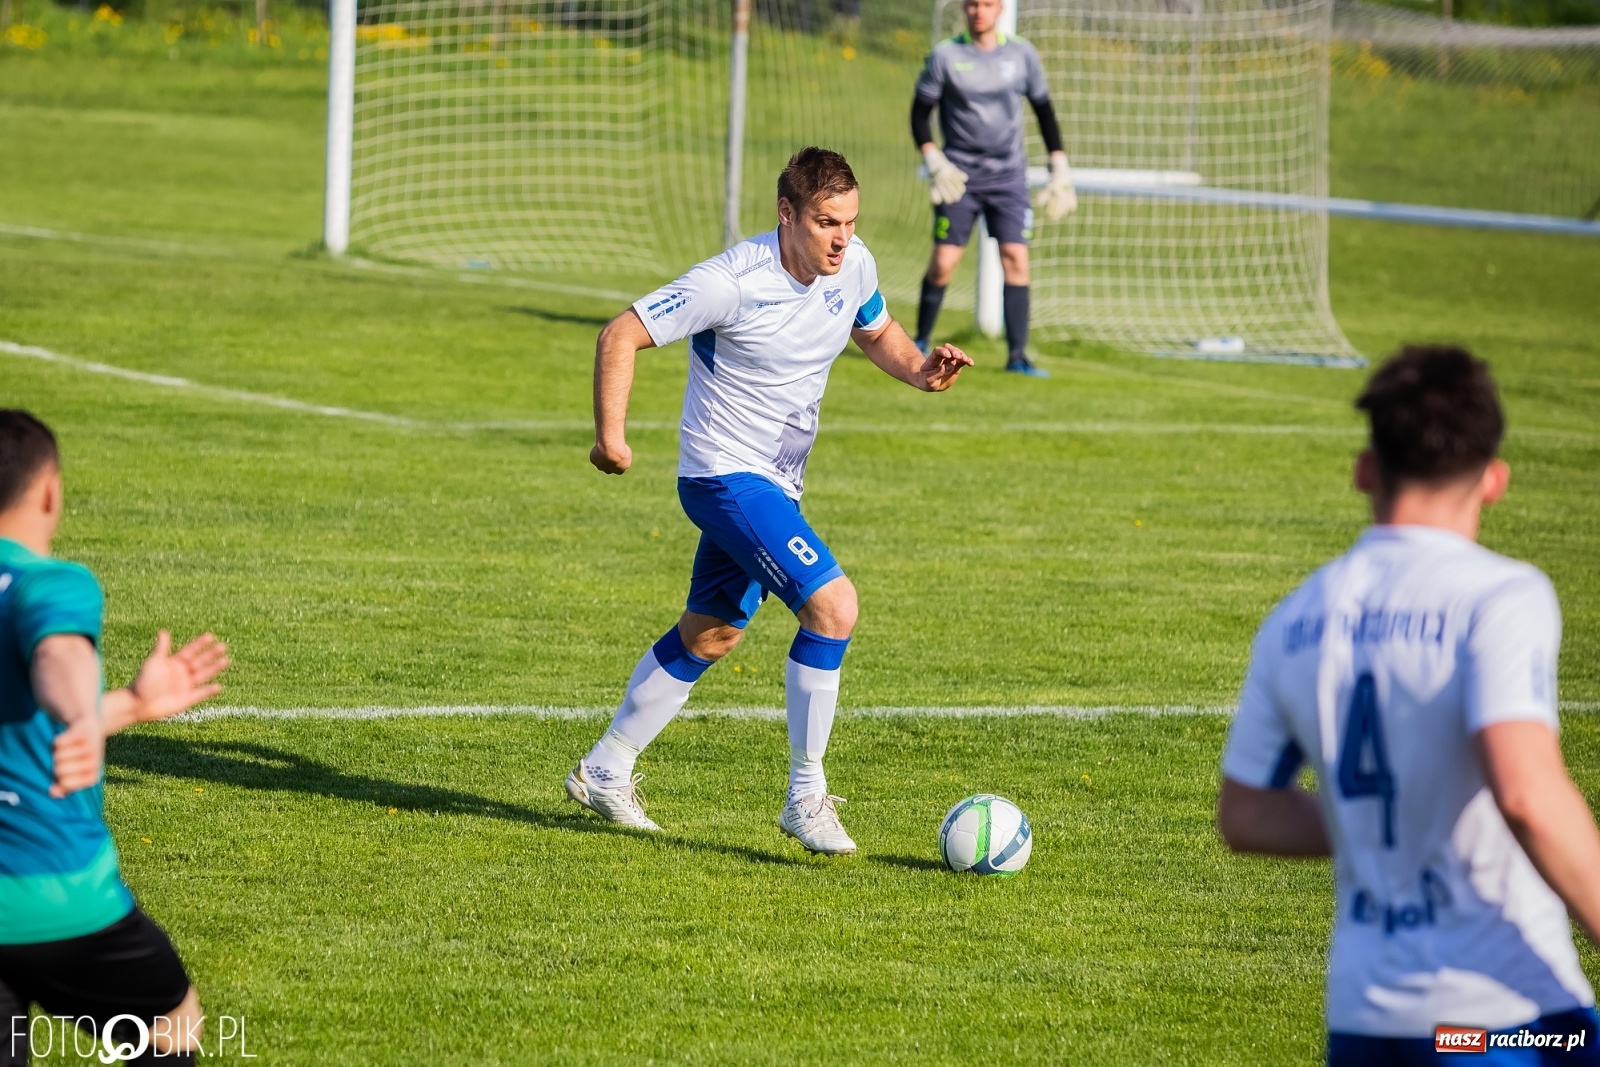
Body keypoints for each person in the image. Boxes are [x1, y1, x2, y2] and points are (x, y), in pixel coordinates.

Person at [568, 147, 972, 854]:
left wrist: (920, 369)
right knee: (833, 605)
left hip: (776, 483)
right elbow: (621, 333)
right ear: (787, 215)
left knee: (715, 630)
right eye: (825, 222)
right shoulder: (730, 281)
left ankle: (606, 765)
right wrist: (612, 439)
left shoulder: (856, 265)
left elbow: (873, 329)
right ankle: (805, 796)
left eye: (849, 221)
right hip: (724, 477)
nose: (841, 238)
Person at [1217, 347, 1600, 1065]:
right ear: (1494, 481)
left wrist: (1380, 820)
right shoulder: (1500, 598)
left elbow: (1246, 815)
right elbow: (1526, 794)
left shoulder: (1297, 617)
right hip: (1503, 1020)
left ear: (1366, 470)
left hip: (1365, 1019)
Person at [0, 410, 231, 1067]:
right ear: (49, 492)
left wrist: (127, 705)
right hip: (57, 895)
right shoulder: (48, 581)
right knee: (172, 1028)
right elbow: (58, 655)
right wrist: (78, 713)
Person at [910, 0, 1076, 378]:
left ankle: (1018, 355)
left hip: (1009, 179)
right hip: (959, 180)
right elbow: (919, 114)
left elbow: (1044, 110)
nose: (978, 11)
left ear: (1000, 8)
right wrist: (935, 161)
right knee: (944, 262)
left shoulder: (1022, 54)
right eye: (971, 4)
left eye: (986, 4)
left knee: (1016, 259)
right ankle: (919, 340)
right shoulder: (945, 56)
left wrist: (1059, 166)